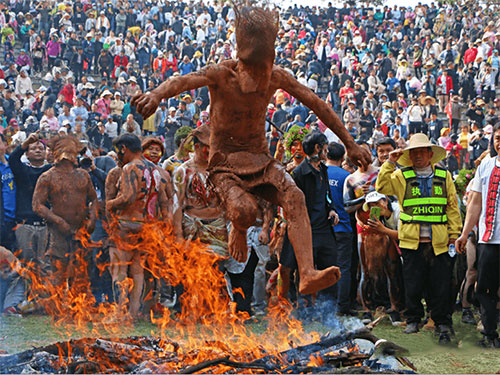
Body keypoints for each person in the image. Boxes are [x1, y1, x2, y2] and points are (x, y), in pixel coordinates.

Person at [133, 3, 371, 295]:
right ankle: (240, 229)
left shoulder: (276, 77)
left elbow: (317, 103)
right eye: (254, 70)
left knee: (295, 196)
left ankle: (308, 273)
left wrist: (350, 143)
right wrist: (155, 94)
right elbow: (181, 81)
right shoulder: (220, 75)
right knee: (244, 211)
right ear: (240, 62)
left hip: (261, 158)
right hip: (225, 162)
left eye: (265, 68)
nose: (260, 77)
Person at [376, 133, 462, 344]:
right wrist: (390, 162)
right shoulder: (401, 176)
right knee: (413, 283)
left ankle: (441, 320)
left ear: (430, 154)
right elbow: (382, 187)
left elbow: (452, 206)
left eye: (422, 152)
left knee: (439, 284)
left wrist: (454, 234)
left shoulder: (444, 175)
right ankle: (413, 319)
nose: (417, 156)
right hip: (411, 241)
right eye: (413, 152)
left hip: (439, 241)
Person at [105, 133, 169, 318]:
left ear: (123, 148)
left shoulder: (130, 167)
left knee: (119, 270)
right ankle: (132, 314)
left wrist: (110, 204)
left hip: (126, 226)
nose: (118, 155)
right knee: (138, 271)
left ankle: (119, 314)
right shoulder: (155, 170)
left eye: (119, 151)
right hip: (147, 227)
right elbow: (164, 200)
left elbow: (128, 197)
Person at [456, 123, 500, 348]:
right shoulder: (486, 165)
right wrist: (465, 234)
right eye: (497, 138)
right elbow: (475, 203)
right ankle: (490, 335)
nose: (499, 142)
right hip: (489, 240)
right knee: (484, 287)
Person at [32, 135, 98, 285]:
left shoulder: (83, 175)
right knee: (58, 276)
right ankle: (58, 307)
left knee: (80, 276)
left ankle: (78, 307)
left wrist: (93, 218)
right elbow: (37, 205)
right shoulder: (47, 177)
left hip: (81, 231)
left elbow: (93, 199)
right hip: (58, 234)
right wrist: (59, 221)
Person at [9, 132, 51, 262]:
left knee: (45, 266)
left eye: (41, 148)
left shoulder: (51, 171)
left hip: (46, 226)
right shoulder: (22, 170)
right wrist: (26, 142)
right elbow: (13, 159)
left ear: (46, 153)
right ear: (26, 154)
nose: (38, 150)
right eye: (33, 148)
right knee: (26, 267)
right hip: (25, 225)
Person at [326, 142, 354, 315]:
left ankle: (325, 306)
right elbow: (350, 203)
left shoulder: (318, 173)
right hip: (343, 227)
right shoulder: (347, 176)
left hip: (323, 229)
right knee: (343, 268)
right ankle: (342, 307)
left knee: (325, 267)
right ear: (343, 157)